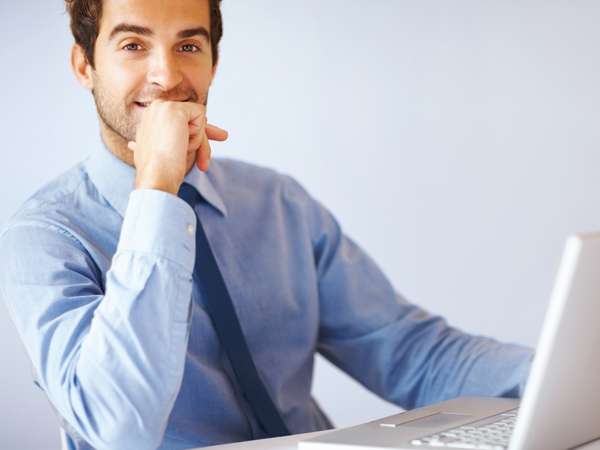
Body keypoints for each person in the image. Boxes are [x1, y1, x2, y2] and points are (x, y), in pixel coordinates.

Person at [0, 1, 533, 449]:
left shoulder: (276, 202)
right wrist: (156, 191)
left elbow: (410, 353)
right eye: (133, 45)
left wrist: (563, 377)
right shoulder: (45, 236)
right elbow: (119, 429)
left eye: (189, 45)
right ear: (83, 65)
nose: (166, 76)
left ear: (213, 62)